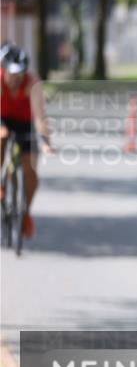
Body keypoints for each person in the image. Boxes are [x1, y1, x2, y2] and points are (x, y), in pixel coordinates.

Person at [0, 43, 55, 239]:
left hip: (25, 124)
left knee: (31, 170)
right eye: (12, 74)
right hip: (3, 120)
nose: (16, 79)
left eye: (20, 74)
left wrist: (46, 142)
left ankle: (24, 213)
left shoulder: (32, 83)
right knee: (2, 135)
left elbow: (40, 117)